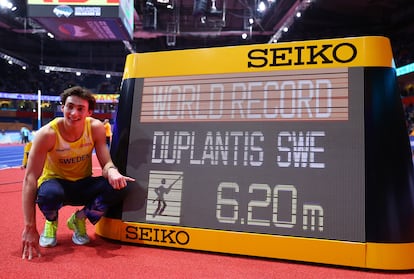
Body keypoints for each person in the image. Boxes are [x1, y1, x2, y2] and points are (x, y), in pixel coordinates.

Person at [21, 86, 135, 260]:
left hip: (83, 183)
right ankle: (51, 221)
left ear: (89, 112)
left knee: (121, 186)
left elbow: (106, 164)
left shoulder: (96, 128)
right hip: (56, 183)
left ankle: (79, 218)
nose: (74, 113)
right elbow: (30, 179)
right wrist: (30, 227)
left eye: (80, 108)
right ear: (63, 108)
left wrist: (112, 172)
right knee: (49, 194)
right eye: (70, 107)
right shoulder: (47, 134)